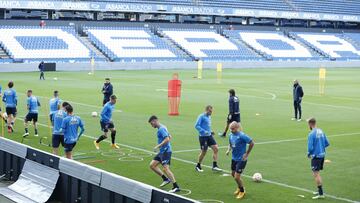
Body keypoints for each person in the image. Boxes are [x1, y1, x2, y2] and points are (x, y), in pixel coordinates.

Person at [148, 115, 180, 193]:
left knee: (166, 168)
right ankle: (165, 179)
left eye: (151, 124)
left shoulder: (161, 129)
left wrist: (158, 146)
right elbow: (170, 136)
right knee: (152, 165)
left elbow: (167, 139)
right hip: (162, 151)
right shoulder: (163, 127)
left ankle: (176, 186)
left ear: (155, 121)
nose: (151, 125)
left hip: (166, 151)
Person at [226, 122, 254, 200]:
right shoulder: (230, 135)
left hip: (241, 159)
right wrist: (228, 150)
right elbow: (230, 144)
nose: (231, 130)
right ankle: (239, 187)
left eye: (233, 129)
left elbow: (252, 143)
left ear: (237, 128)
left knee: (236, 177)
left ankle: (242, 190)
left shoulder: (242, 136)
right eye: (230, 129)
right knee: (233, 174)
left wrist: (247, 154)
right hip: (234, 158)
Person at [194, 105, 222, 172]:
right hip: (203, 137)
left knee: (216, 149)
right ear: (206, 110)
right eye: (210, 111)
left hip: (209, 136)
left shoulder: (209, 117)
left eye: (211, 111)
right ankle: (198, 166)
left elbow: (207, 126)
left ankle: (214, 166)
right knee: (204, 152)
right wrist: (204, 131)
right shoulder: (201, 116)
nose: (211, 112)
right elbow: (196, 126)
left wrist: (210, 131)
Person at [307, 118, 329, 200]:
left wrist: (309, 154)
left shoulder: (311, 134)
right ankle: (318, 190)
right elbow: (327, 143)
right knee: (316, 173)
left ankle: (321, 193)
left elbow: (310, 147)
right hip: (322, 155)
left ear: (310, 124)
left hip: (316, 156)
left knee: (316, 174)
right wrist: (320, 148)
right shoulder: (321, 131)